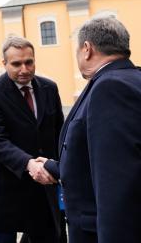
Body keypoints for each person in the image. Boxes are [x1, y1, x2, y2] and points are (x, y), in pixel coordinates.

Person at [41, 16, 141, 243]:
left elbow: (115, 181)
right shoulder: (129, 79)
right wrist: (53, 166)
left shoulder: (110, 87)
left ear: (87, 49)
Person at [0, 36, 64, 243]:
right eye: (16, 64)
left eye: (29, 62)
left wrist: (60, 168)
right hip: (8, 190)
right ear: (4, 64)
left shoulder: (49, 88)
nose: (24, 69)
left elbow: (60, 133)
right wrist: (28, 164)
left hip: (45, 187)